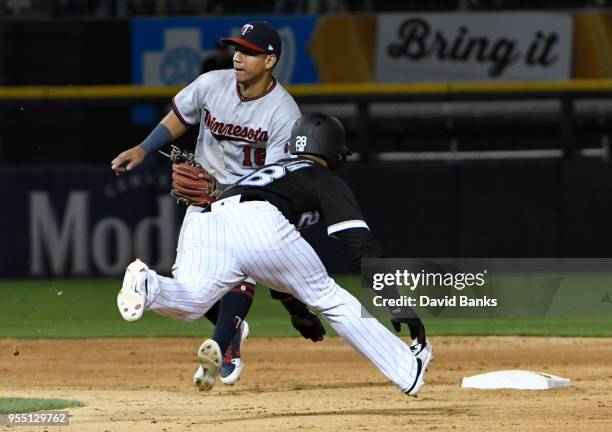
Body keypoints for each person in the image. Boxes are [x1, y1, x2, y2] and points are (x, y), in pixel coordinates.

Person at [116, 113, 432, 395]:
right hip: (256, 218)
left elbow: (273, 262)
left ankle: (149, 285)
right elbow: (360, 245)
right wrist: (394, 299)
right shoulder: (322, 177)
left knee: (192, 302)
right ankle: (408, 369)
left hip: (209, 217)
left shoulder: (274, 170)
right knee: (329, 296)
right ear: (333, 150)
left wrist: (298, 311)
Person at [111, 21, 325, 386]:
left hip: (253, 203)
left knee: (239, 269)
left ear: (270, 60)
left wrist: (226, 191)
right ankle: (237, 329)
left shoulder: (283, 112)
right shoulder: (213, 83)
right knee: (192, 285)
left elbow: (275, 178)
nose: (238, 57)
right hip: (204, 199)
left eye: (249, 52)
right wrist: (143, 149)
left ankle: (226, 342)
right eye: (236, 49)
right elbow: (180, 117)